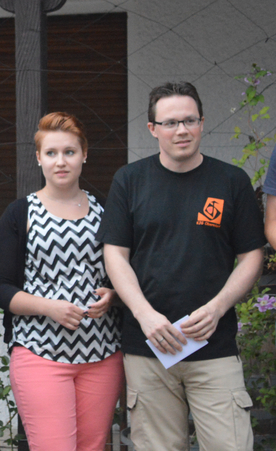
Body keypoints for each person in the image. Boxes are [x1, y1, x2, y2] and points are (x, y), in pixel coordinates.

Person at [97, 82, 265, 451]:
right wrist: (144, 315)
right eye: (170, 123)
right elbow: (115, 255)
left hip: (213, 345)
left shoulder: (231, 181)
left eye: (190, 120)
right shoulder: (129, 180)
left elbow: (252, 256)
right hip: (148, 347)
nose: (182, 130)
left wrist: (218, 308)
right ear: (152, 128)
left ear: (202, 123)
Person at [0, 112, 124, 451]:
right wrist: (49, 307)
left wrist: (114, 294)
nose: (60, 161)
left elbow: (125, 270)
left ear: (84, 154)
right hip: (40, 351)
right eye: (51, 153)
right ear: (38, 158)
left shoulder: (106, 211)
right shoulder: (20, 213)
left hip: (101, 352)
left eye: (69, 152)